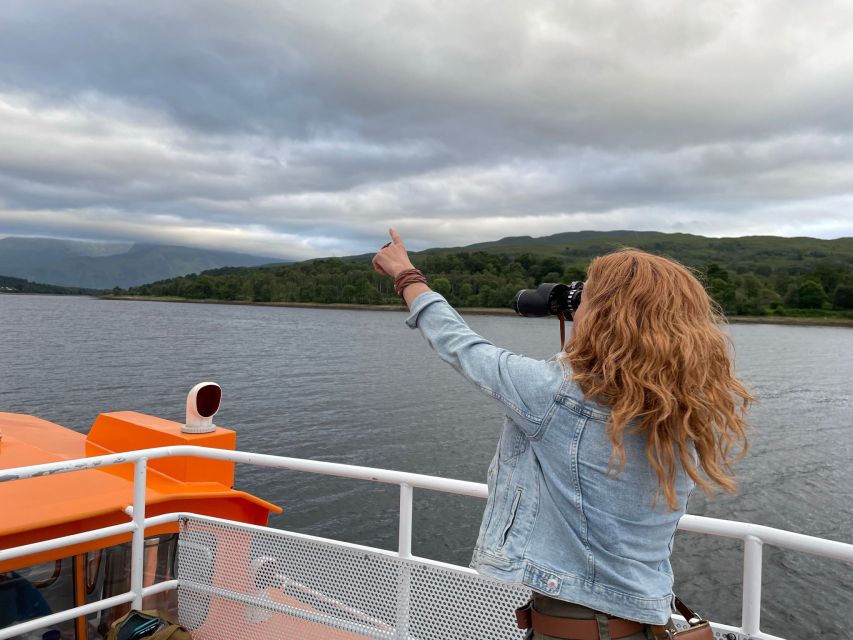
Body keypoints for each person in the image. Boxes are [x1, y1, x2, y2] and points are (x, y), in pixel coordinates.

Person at [373, 229, 752, 640]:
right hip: (646, 623)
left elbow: (461, 345)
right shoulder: (680, 407)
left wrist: (407, 276)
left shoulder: (554, 395)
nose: (576, 307)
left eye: (584, 299)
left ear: (603, 314)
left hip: (577, 629)